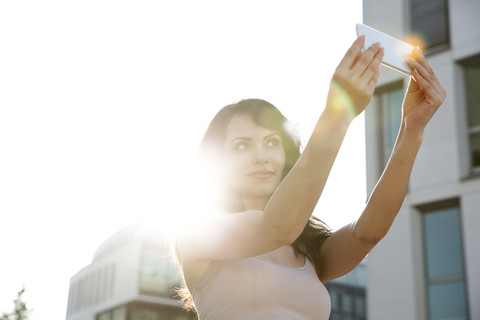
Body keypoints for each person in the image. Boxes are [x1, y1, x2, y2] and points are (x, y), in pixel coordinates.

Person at [174, 35, 446, 319]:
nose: (261, 156)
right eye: (242, 145)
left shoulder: (307, 252)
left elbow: (368, 232)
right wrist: (337, 113)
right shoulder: (199, 233)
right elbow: (276, 227)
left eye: (271, 142)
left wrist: (411, 130)